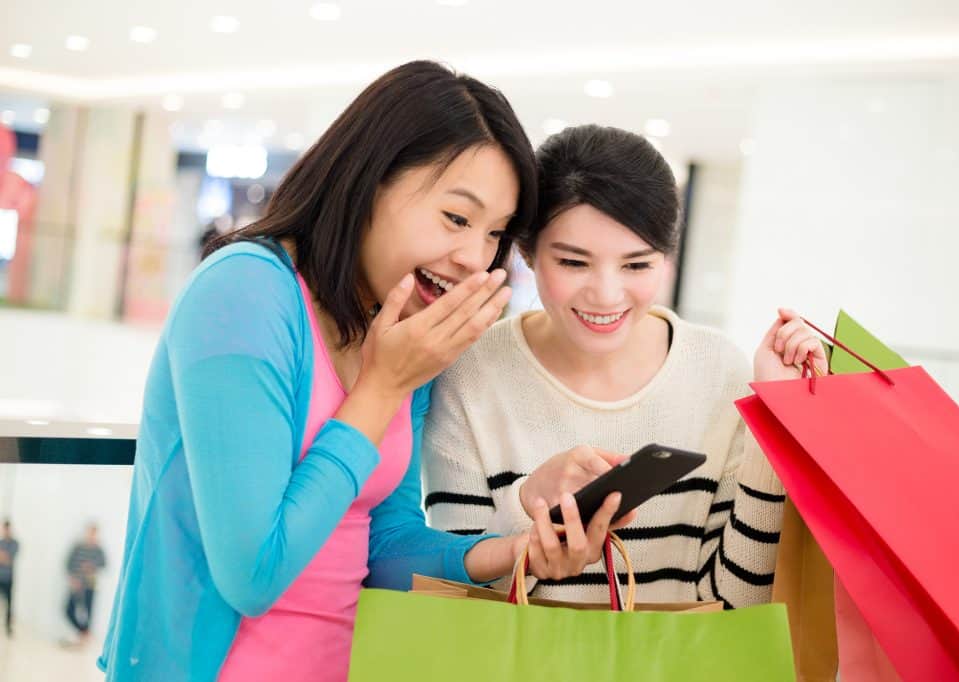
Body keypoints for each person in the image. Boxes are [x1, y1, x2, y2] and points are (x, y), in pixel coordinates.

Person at [100, 62, 625, 681]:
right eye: (457, 218)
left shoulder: (399, 327)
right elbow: (253, 576)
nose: (474, 257)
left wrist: (518, 552)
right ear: (369, 182)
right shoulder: (244, 292)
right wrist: (382, 388)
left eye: (495, 234)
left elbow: (383, 543)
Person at [423, 124, 827, 608]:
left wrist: (774, 421)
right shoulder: (469, 372)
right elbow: (459, 597)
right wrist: (528, 509)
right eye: (574, 263)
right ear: (527, 251)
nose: (607, 295)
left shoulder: (719, 371)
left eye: (637, 265)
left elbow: (738, 605)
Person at [65, 523, 107, 644]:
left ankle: (84, 635)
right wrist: (73, 578)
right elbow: (69, 564)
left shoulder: (98, 549)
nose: (92, 535)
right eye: (90, 532)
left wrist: (92, 566)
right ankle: (83, 632)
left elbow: (104, 564)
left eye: (94, 533)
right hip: (77, 583)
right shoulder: (78, 547)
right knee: (68, 610)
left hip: (90, 584)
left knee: (88, 612)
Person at [0, 519, 18, 636]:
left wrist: (3, 556)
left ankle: (8, 626)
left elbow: (9, 559)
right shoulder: (1, 542)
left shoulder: (15, 543)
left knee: (9, 603)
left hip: (8, 578)